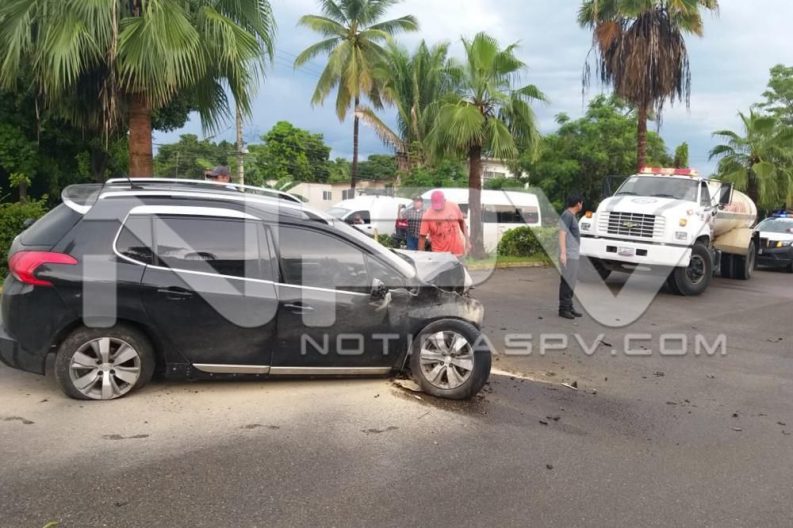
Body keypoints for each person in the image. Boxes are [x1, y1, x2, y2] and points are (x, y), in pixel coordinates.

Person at [419, 190, 468, 257]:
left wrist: (468, 241)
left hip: (458, 252)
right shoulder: (427, 216)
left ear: (444, 200)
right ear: (432, 202)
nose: (438, 208)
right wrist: (420, 255)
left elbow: (462, 223)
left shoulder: (454, 206)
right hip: (440, 255)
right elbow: (422, 237)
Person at [559, 193, 584, 319]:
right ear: (578, 203)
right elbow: (562, 233)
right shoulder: (567, 215)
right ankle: (563, 309)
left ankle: (569, 306)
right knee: (567, 282)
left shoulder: (572, 216)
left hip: (573, 255)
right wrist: (563, 253)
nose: (582, 205)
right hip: (569, 255)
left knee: (571, 282)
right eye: (581, 203)